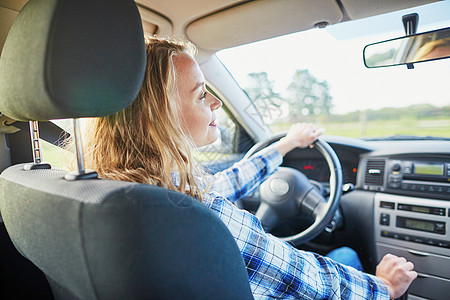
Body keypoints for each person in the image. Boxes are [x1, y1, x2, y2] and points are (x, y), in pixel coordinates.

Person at [80, 36, 417, 299]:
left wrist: (285, 145)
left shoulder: (111, 190)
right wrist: (385, 287)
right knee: (346, 256)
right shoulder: (197, 215)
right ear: (158, 117)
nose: (215, 102)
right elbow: (305, 277)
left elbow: (223, 183)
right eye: (200, 95)